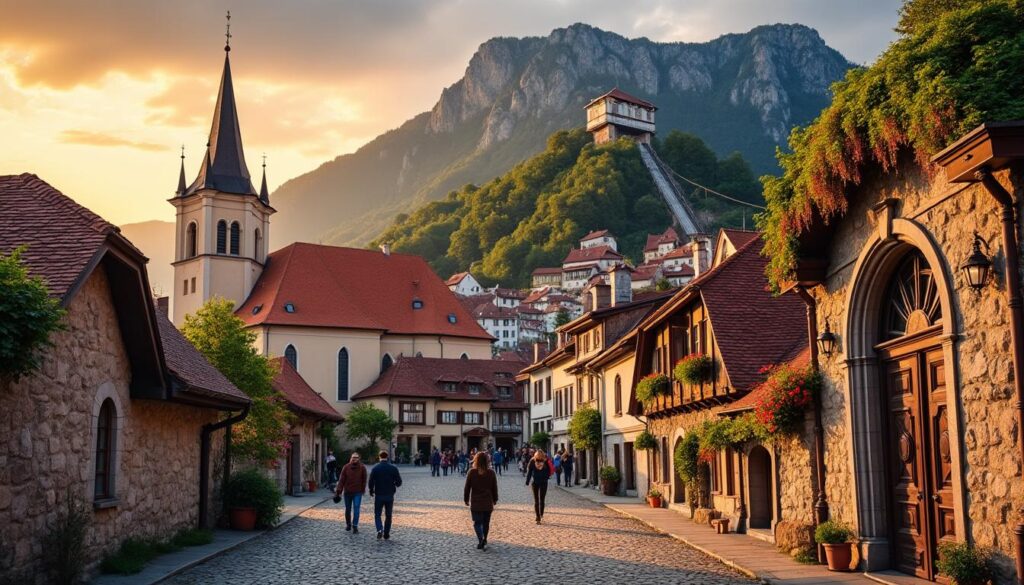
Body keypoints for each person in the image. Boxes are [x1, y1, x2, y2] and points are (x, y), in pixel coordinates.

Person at [463, 451, 499, 550]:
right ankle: (485, 539)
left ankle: (481, 539)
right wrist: (495, 499)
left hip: (476, 503)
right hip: (487, 502)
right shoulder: (491, 472)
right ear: (487, 461)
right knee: (486, 523)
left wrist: (466, 499)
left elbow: (467, 488)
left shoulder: (472, 472)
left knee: (477, 523)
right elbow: (494, 488)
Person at [368, 450, 403, 540]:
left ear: (379, 457)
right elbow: (399, 482)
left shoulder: (375, 468)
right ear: (387, 457)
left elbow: (371, 481)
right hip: (389, 494)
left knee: (377, 514)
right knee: (388, 514)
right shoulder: (393, 468)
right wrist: (394, 484)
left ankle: (379, 529)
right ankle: (386, 533)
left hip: (379, 494)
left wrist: (371, 490)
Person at [334, 452, 366, 533]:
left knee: (356, 508)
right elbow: (341, 480)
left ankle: (355, 525)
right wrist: (339, 491)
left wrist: (362, 489)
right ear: (350, 458)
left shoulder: (362, 467)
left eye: (356, 457)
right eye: (353, 457)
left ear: (359, 459)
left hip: (357, 492)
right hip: (347, 492)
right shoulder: (346, 467)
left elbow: (364, 480)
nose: (354, 459)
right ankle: (348, 524)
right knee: (348, 509)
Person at [525, 450, 552, 524]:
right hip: (543, 482)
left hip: (535, 482)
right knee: (542, 500)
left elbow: (529, 472)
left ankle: (538, 517)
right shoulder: (545, 461)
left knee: (536, 501)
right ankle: (541, 514)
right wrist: (546, 477)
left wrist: (527, 481)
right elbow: (550, 471)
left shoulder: (533, 461)